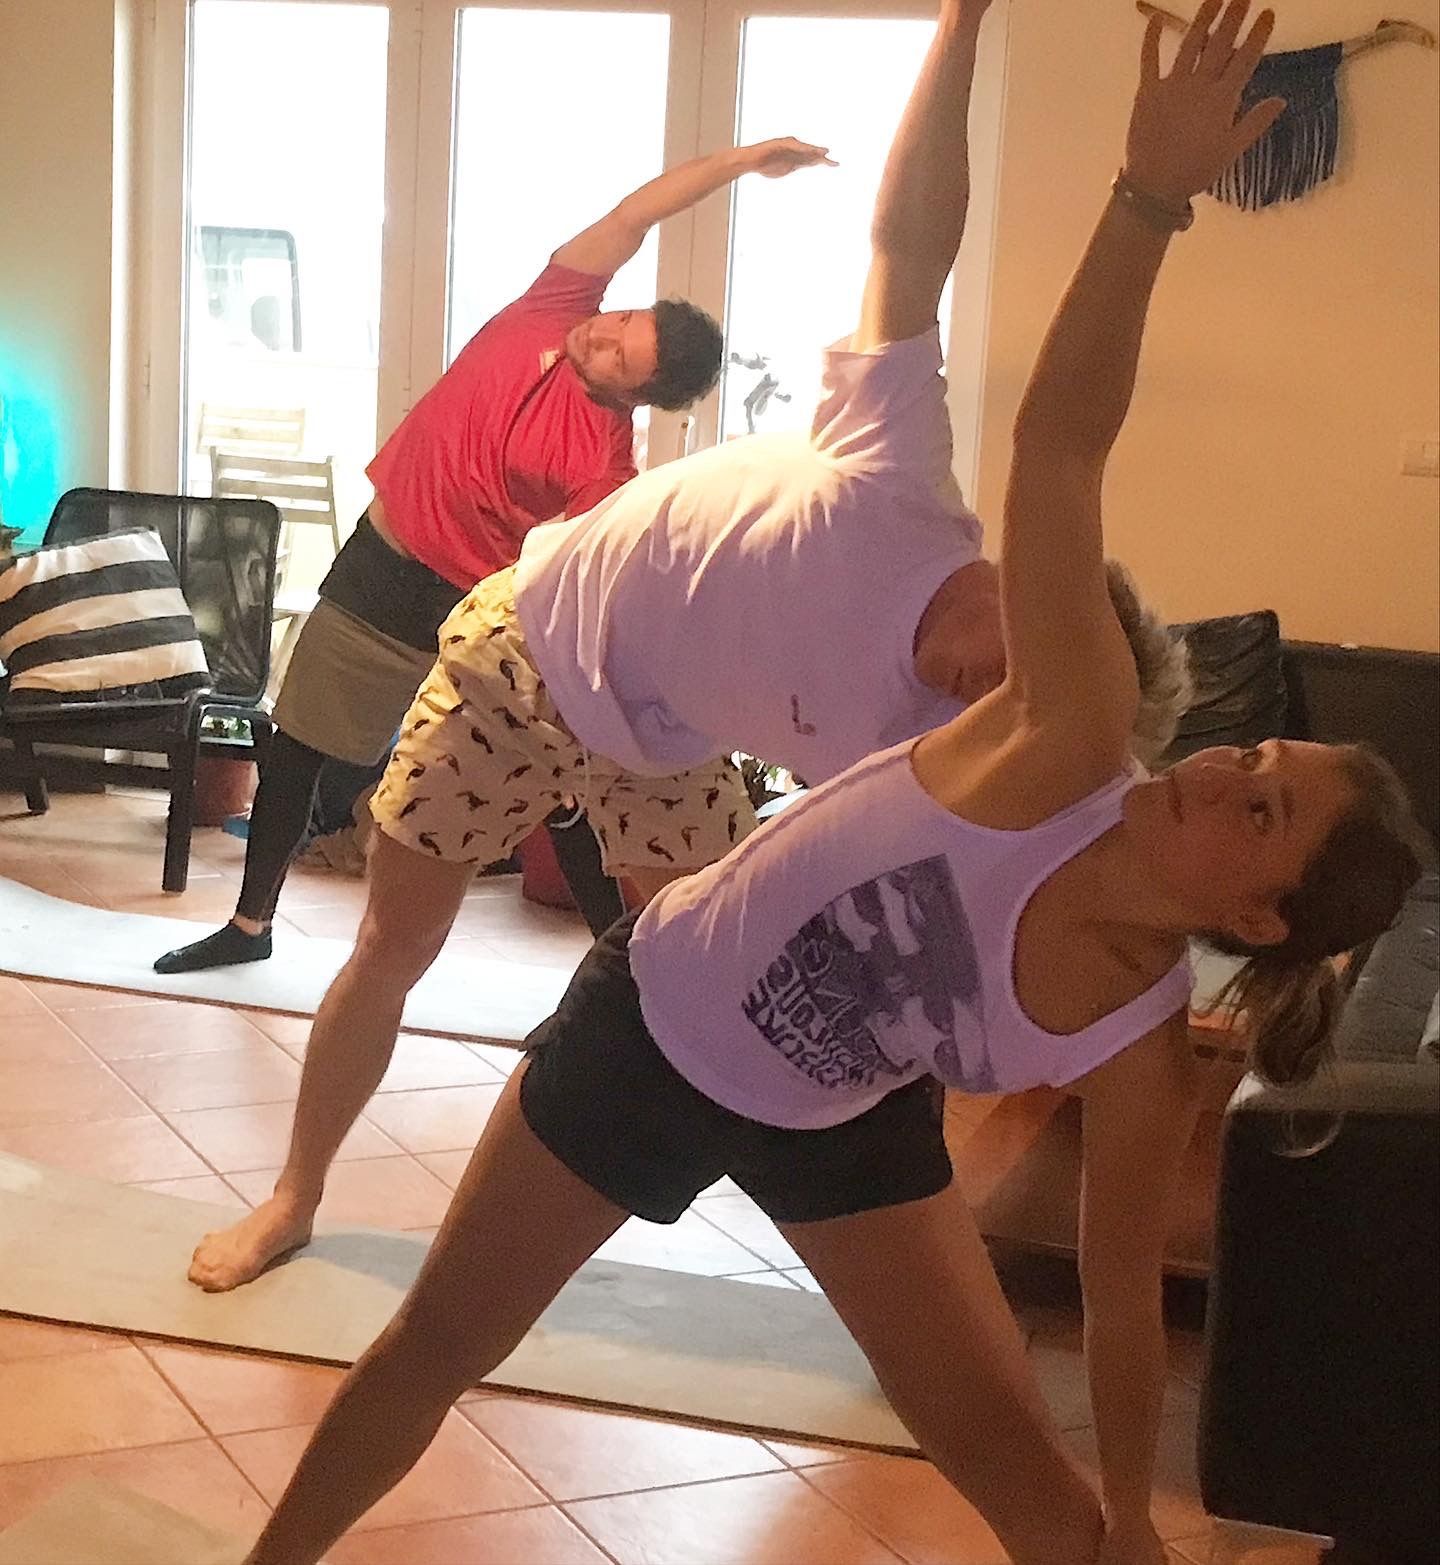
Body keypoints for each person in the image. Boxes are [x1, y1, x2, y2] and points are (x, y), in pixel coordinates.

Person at [234, 6, 1425, 1563]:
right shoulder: (1066, 731)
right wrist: (1147, 201)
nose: (1218, 770)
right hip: (654, 1025)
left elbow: (1123, 1293)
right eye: (1248, 755)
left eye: (1259, 805)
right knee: (431, 1351)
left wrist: (1134, 1514)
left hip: (843, 1119)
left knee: (1046, 1509)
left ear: (1262, 914)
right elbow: (1063, 444)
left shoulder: (1138, 1046)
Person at [185, 0, 1193, 1299]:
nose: (984, 702)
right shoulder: (895, 471)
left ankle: (622, 1213)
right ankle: (294, 1193)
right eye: (1016, 670)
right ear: (1040, 589)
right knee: (393, 941)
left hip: (659, 754)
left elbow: (1021, 858)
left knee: (702, 993)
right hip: (520, 647)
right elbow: (910, 239)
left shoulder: (923, 749)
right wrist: (962, 22)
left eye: (1017, 708)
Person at [154, 134, 833, 975]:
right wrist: (739, 163)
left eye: (625, 355)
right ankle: (248, 929)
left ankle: (615, 973)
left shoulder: (604, 461)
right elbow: (635, 213)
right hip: (382, 555)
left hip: (466, 607)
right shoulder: (550, 306)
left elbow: (589, 572)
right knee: (296, 744)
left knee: (563, 791)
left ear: (636, 395)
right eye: (623, 322)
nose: (604, 337)